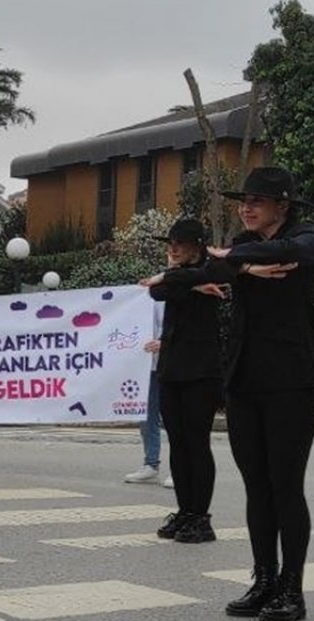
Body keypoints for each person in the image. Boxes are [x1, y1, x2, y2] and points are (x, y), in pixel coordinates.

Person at [211, 167, 314, 621]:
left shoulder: (305, 237)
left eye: (258, 200)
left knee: (285, 487)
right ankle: (263, 579)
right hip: (244, 381)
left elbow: (296, 251)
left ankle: (291, 589)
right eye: (244, 200)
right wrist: (243, 263)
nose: (247, 206)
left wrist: (238, 259)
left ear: (283, 206)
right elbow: (208, 264)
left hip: (290, 383)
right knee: (257, 488)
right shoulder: (243, 244)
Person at [139, 218, 235, 544]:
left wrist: (179, 278)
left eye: (179, 243)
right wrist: (182, 281)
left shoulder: (213, 273)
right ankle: (184, 510)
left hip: (201, 371)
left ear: (196, 245)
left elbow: (204, 276)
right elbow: (156, 291)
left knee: (197, 442)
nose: (173, 248)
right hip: (171, 369)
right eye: (170, 244)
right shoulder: (184, 278)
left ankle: (200, 515)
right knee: (177, 443)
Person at [124, 303, 167, 486]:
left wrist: (165, 342)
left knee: (174, 419)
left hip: (169, 365)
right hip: (145, 367)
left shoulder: (176, 296)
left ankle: (180, 467)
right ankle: (151, 464)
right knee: (147, 417)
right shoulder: (146, 298)